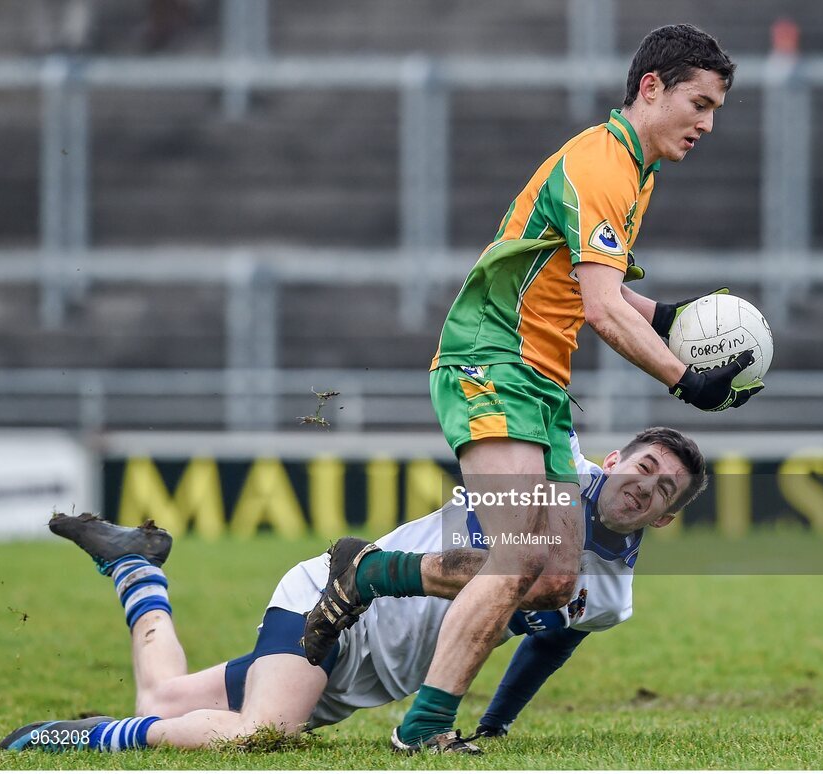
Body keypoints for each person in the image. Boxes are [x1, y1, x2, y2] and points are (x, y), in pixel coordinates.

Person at [302, 23, 760, 753]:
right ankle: (421, 732)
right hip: (493, 362)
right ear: (651, 88)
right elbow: (604, 310)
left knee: (555, 581)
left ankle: (369, 571)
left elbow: (591, 289)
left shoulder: (636, 170)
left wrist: (670, 318)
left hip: (540, 383)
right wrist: (688, 380)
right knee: (517, 557)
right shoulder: (601, 168)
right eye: (699, 104)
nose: (707, 124)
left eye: (715, 111)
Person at [0, 427, 707, 755]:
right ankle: (65, 739)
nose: (644, 484)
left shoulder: (612, 598)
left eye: (663, 489)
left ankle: (137, 570)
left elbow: (550, 650)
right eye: (642, 465)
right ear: (612, 460)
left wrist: (496, 723)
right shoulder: (540, 465)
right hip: (337, 606)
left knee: (165, 703)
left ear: (665, 517)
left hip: (373, 676)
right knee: (263, 733)